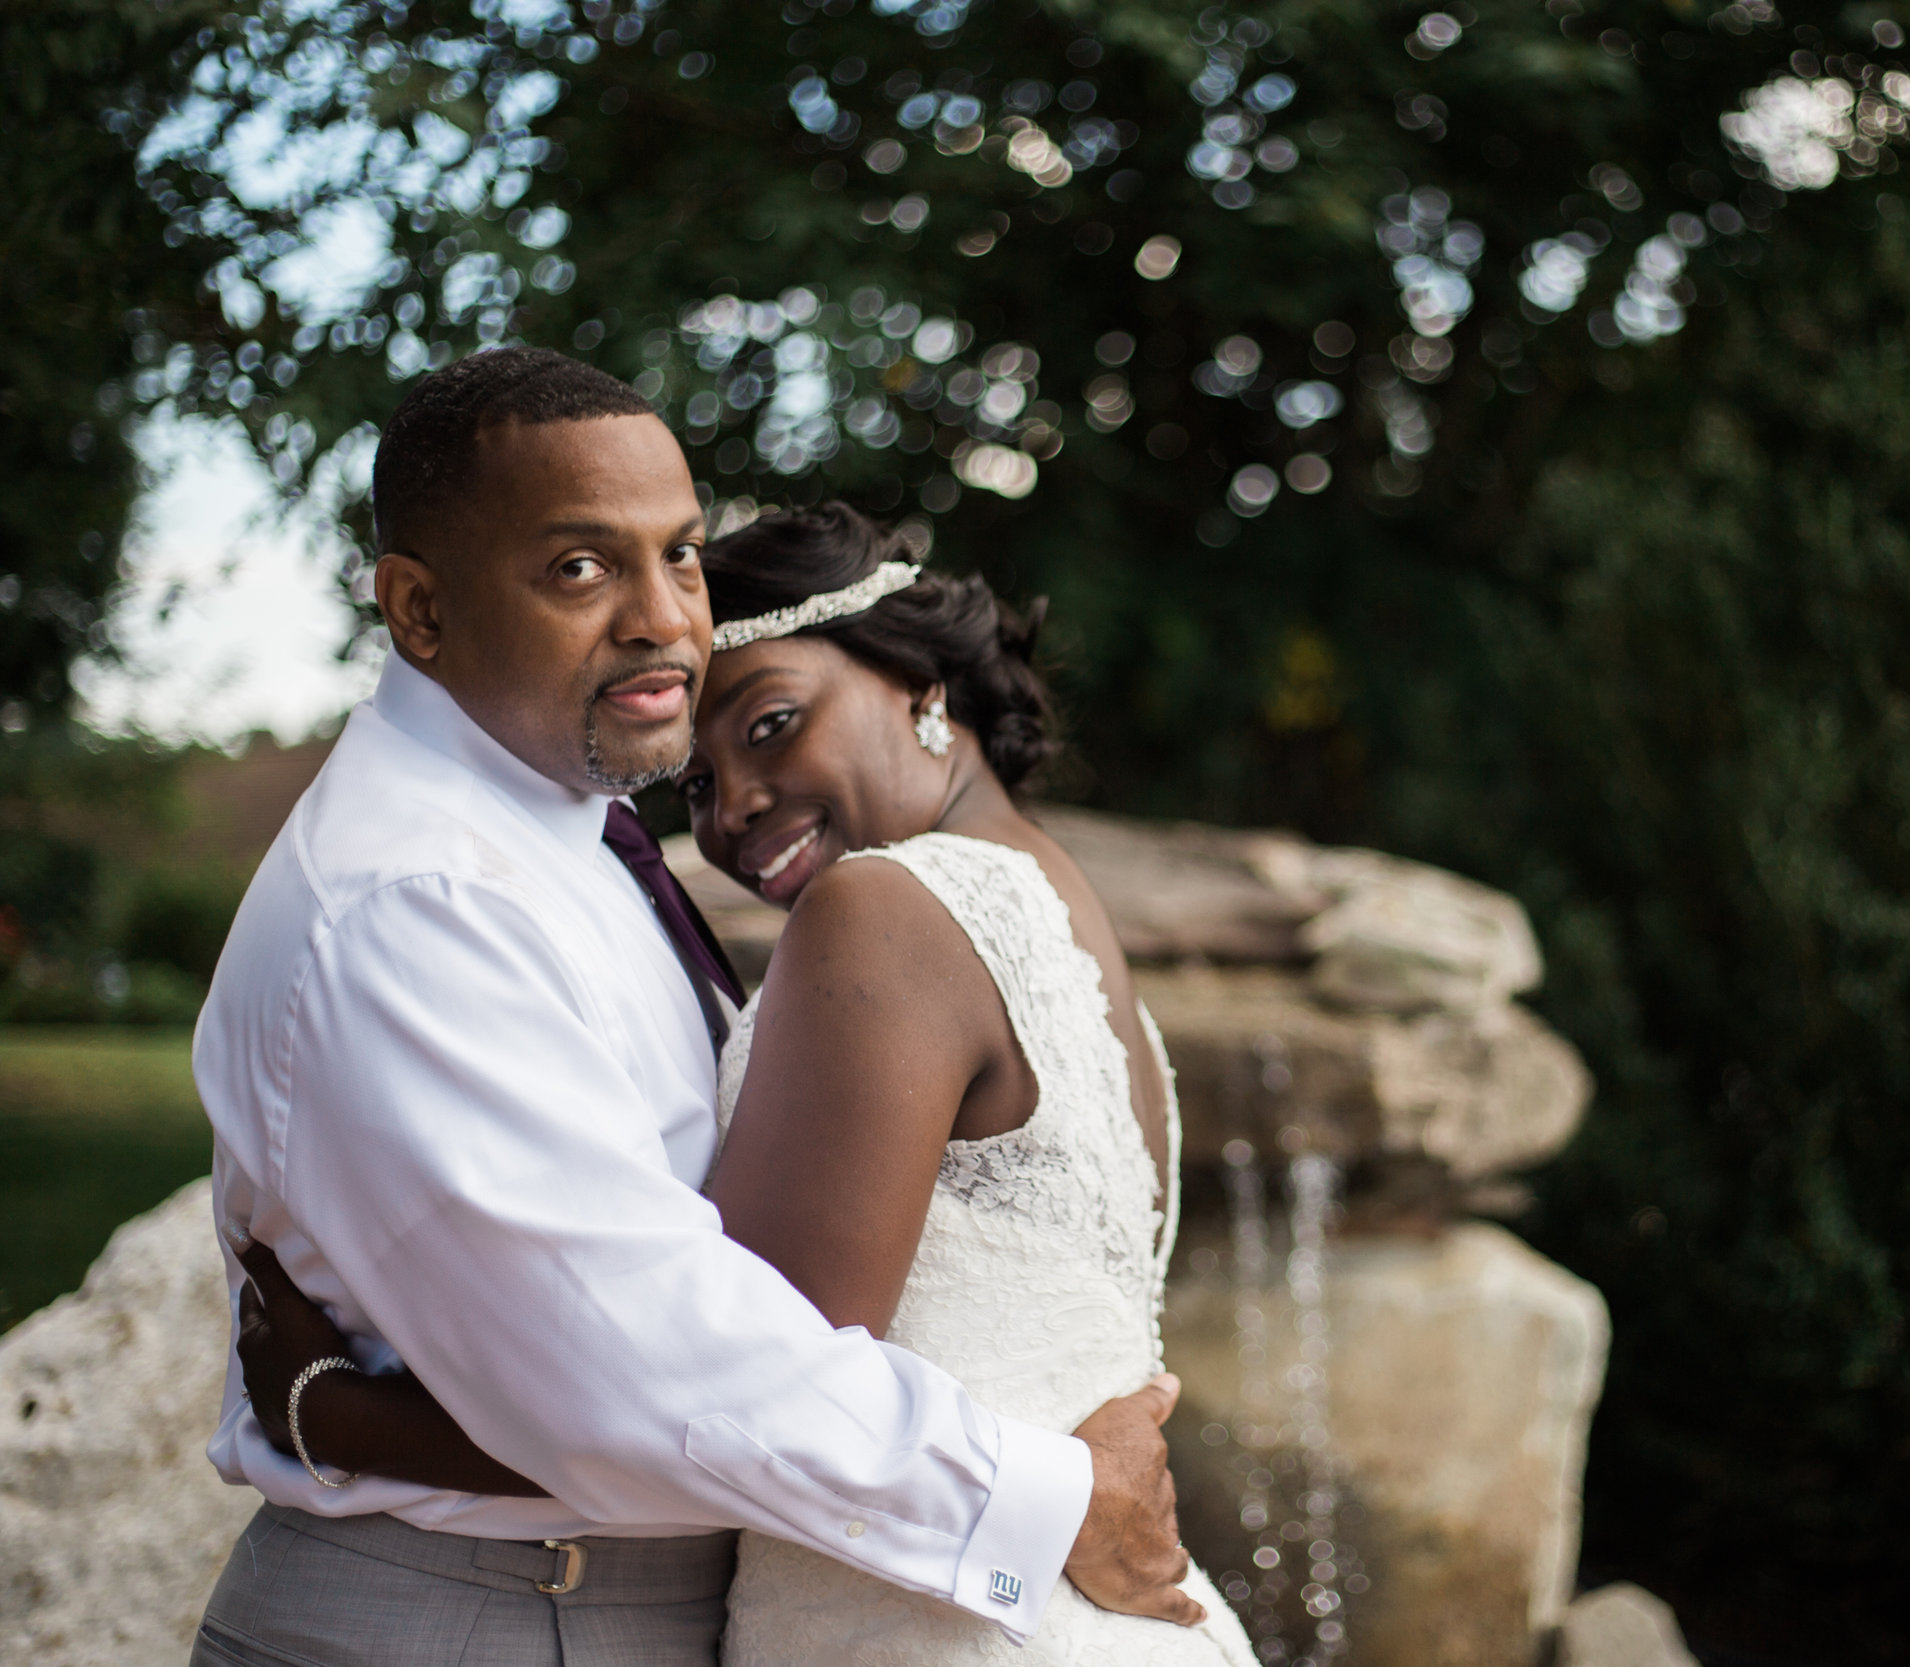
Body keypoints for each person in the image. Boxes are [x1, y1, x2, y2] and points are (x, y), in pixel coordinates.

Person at [191, 348, 1198, 1667]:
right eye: (580, 567)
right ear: (420, 611)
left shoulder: (618, 850)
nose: (665, 617)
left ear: (919, 686)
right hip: (487, 1619)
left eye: (678, 557)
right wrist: (1044, 1495)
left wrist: (337, 1407)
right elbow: (631, 1366)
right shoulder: (417, 895)